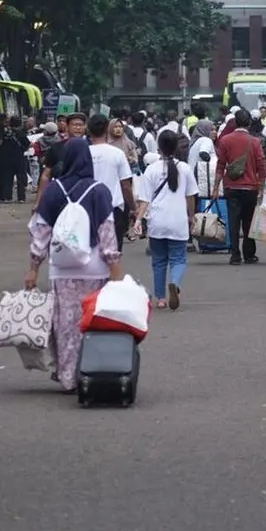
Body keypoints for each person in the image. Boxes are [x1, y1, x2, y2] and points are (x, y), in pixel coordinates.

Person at [24, 138, 124, 393]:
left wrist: (34, 267)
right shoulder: (100, 191)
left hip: (61, 267)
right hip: (95, 268)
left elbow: (41, 232)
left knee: (65, 325)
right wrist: (115, 269)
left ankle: (68, 376)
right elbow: (107, 232)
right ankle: (90, 371)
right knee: (92, 323)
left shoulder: (54, 190)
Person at [132, 130, 196, 310]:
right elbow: (190, 196)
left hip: (157, 221)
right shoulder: (184, 168)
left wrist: (138, 220)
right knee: (178, 259)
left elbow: (144, 200)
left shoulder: (151, 170)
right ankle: (174, 283)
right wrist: (191, 216)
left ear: (159, 148)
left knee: (159, 261)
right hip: (178, 220)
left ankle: (160, 298)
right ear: (176, 147)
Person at [213, 108, 266, 265]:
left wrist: (216, 187)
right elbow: (261, 165)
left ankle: (235, 255)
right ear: (249, 123)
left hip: (231, 186)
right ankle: (249, 254)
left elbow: (221, 165)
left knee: (233, 221)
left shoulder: (225, 141)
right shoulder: (255, 142)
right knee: (249, 222)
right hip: (250, 187)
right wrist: (262, 187)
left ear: (235, 122)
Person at [87, 114, 136, 249]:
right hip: (114, 208)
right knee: (113, 251)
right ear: (107, 130)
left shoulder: (84, 153)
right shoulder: (117, 154)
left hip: (89, 207)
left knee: (92, 249)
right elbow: (126, 186)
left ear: (89, 130)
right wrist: (133, 208)